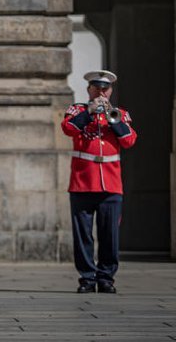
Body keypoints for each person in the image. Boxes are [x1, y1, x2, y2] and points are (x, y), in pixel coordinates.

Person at [61, 70, 137, 294]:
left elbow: (129, 140)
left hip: (111, 184)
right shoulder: (77, 110)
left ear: (111, 91)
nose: (101, 92)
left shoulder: (120, 114)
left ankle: (106, 277)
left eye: (105, 88)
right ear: (89, 89)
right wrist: (90, 112)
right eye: (97, 88)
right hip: (83, 182)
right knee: (83, 234)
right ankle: (87, 277)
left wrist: (113, 121)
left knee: (109, 234)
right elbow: (68, 129)